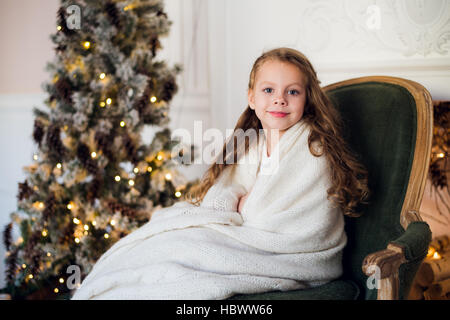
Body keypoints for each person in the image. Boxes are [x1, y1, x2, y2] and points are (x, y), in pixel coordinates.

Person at [72, 47, 369, 300]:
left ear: (307, 100)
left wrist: (247, 205)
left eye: (292, 92)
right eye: (269, 90)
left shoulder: (312, 148)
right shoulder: (254, 143)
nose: (280, 99)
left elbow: (270, 218)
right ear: (252, 98)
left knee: (182, 254)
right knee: (161, 242)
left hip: (294, 254)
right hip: (247, 236)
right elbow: (226, 190)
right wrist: (234, 201)